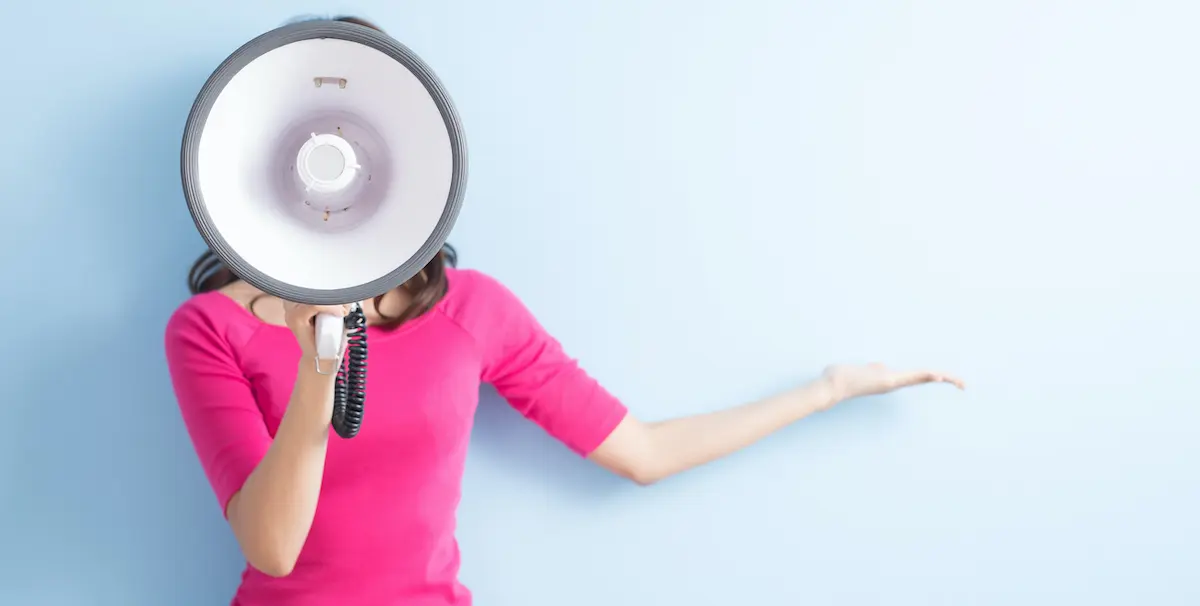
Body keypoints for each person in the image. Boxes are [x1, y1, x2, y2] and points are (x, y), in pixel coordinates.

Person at [165, 16, 965, 606]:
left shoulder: (473, 311)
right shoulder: (210, 328)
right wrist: (321, 372)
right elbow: (271, 550)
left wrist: (826, 390)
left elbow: (643, 453)